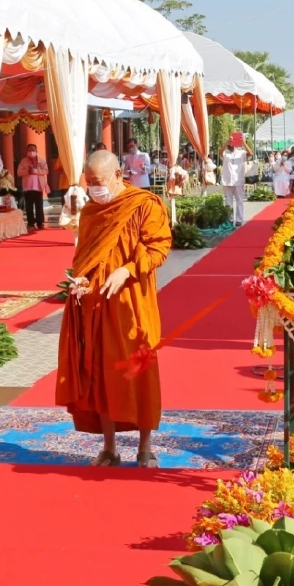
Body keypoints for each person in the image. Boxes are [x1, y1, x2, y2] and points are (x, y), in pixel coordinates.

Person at [56, 150, 172, 467]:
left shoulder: (143, 205)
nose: (94, 188)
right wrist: (79, 281)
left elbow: (159, 247)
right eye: (90, 182)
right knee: (100, 374)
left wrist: (128, 270)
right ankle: (109, 447)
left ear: (118, 175)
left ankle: (145, 447)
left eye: (99, 182)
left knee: (140, 370)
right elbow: (85, 257)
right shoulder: (93, 210)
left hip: (132, 304)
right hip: (97, 305)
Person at [17, 144, 48, 231]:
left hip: (38, 186)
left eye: (33, 150)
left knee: (39, 206)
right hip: (28, 187)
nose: (31, 152)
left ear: (36, 151)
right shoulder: (23, 161)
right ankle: (30, 223)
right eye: (29, 150)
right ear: (27, 152)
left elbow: (46, 170)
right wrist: (27, 171)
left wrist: (35, 171)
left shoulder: (41, 160)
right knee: (29, 206)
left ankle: (40, 223)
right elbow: (19, 172)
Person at [220, 135, 249, 225]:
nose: (231, 144)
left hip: (238, 180)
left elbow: (251, 153)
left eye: (233, 142)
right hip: (227, 180)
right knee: (228, 201)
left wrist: (243, 143)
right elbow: (220, 152)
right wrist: (226, 142)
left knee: (239, 200)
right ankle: (230, 219)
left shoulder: (241, 153)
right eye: (230, 142)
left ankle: (239, 220)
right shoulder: (226, 153)